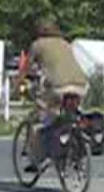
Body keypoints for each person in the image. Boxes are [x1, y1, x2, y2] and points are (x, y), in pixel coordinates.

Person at [19, 21, 89, 169]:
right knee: (67, 117)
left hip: (59, 86)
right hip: (81, 85)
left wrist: (19, 85)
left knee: (38, 119)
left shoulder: (37, 45)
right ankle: (73, 150)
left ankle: (37, 159)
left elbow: (26, 69)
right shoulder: (65, 43)